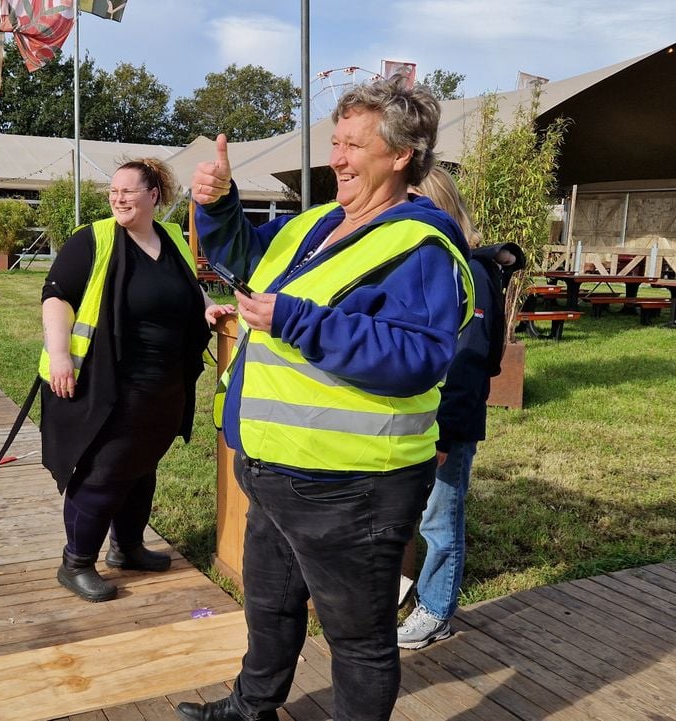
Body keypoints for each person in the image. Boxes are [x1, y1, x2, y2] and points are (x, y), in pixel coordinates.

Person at [179, 79, 474, 721]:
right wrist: (221, 203)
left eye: (353, 145)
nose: (335, 158)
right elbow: (246, 254)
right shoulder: (320, 224)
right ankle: (249, 709)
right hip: (275, 465)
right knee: (269, 605)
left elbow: (419, 356)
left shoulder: (421, 245)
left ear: (401, 155)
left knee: (358, 641)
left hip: (353, 485)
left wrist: (297, 321)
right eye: (334, 142)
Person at [39, 157, 234, 604]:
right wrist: (59, 355)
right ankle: (76, 563)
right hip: (109, 383)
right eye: (114, 191)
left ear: (153, 195)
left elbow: (188, 287)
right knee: (105, 471)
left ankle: (127, 548)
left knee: (143, 467)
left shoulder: (172, 239)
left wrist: (206, 307)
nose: (118, 197)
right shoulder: (94, 238)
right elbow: (55, 297)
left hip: (165, 383)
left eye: (128, 190)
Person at [396, 166, 526, 650]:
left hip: (445, 425)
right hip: (417, 421)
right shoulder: (438, 265)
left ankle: (435, 610)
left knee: (440, 519)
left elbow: (471, 364)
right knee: (420, 514)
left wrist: (445, 436)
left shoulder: (467, 271)